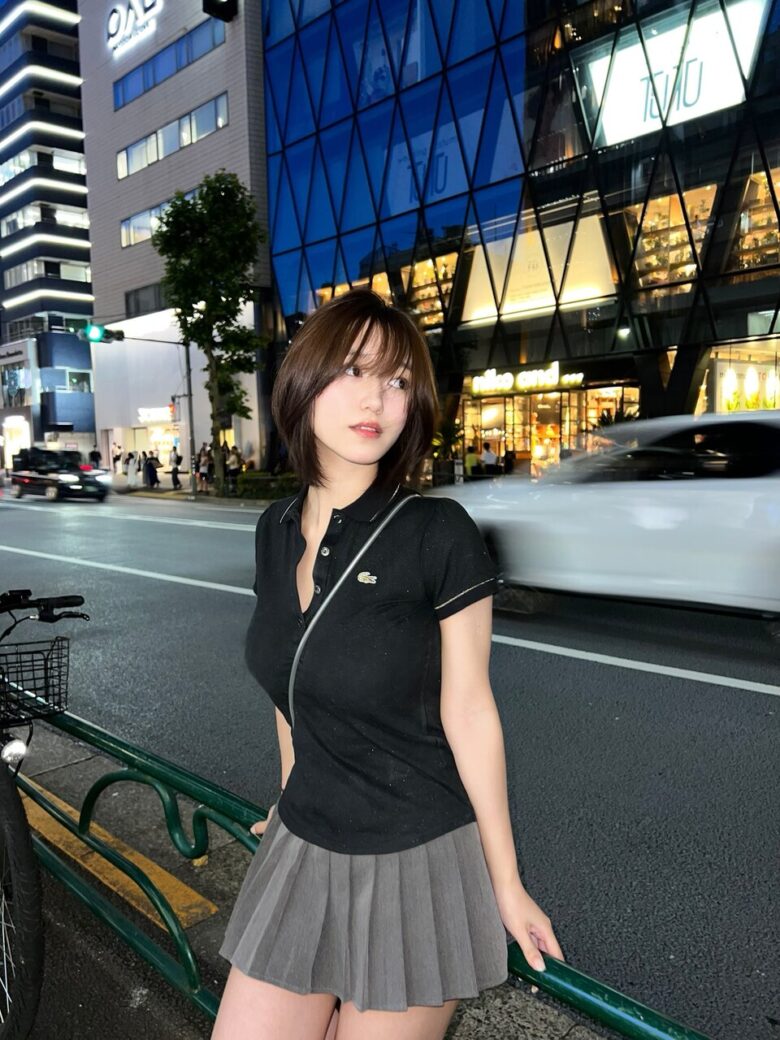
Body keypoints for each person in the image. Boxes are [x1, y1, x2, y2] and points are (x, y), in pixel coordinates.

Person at [213, 289, 562, 1040]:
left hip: (416, 860)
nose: (376, 398)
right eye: (352, 370)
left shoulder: (437, 532)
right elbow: (290, 689)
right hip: (302, 844)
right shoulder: (274, 530)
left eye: (398, 380)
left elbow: (470, 710)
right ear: (304, 381)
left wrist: (507, 883)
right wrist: (290, 795)